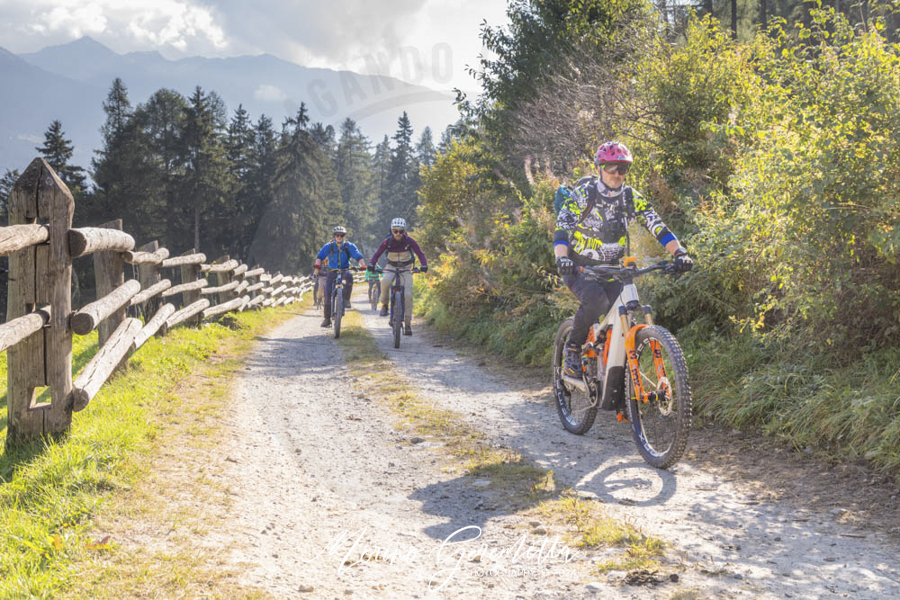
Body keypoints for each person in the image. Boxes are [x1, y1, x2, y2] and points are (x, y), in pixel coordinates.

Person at [554, 141, 693, 377]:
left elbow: (657, 226)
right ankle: (573, 349)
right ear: (599, 168)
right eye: (611, 168)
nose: (617, 174)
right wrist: (562, 259)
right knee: (596, 301)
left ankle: (615, 373)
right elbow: (562, 229)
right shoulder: (583, 195)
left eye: (623, 168)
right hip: (579, 268)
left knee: (626, 311)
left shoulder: (630, 197)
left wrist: (680, 253)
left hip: (614, 269)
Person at [367, 218, 428, 335]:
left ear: (404, 231)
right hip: (391, 266)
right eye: (395, 231)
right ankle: (385, 305)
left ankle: (408, 324)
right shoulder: (387, 242)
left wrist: (424, 265)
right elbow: (377, 254)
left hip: (406, 268)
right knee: (385, 282)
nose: (398, 234)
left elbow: (420, 253)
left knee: (408, 295)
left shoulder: (409, 241)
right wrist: (371, 264)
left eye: (401, 231)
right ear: (392, 231)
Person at [313, 226, 366, 328]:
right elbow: (320, 256)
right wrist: (317, 266)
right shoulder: (329, 246)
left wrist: (363, 264)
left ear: (344, 236)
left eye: (342, 235)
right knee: (327, 294)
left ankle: (346, 300)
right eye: (337, 235)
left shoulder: (348, 246)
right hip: (332, 271)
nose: (340, 237)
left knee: (349, 276)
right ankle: (327, 319)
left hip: (345, 270)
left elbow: (357, 255)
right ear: (334, 236)